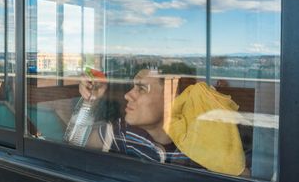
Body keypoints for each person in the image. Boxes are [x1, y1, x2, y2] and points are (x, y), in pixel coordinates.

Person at [74, 68, 247, 176]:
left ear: (172, 97)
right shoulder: (123, 134)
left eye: (141, 88)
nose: (128, 95)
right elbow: (74, 153)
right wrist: (90, 101)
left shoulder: (205, 145)